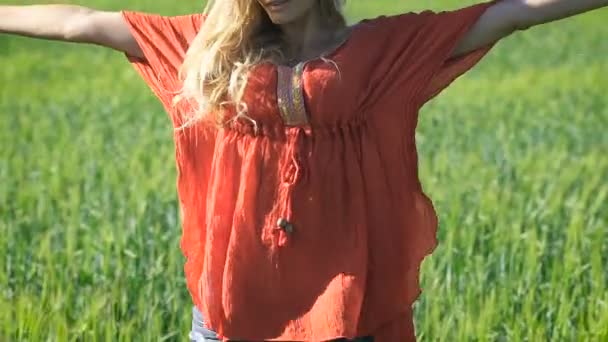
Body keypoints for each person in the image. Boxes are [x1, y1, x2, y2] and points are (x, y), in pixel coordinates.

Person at [1, 0, 606, 341]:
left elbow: (513, 13)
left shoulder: (378, 51)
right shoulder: (213, 52)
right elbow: (82, 23)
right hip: (231, 306)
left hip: (344, 307)